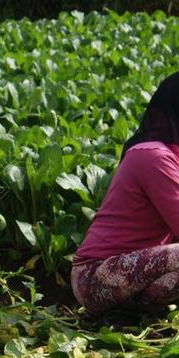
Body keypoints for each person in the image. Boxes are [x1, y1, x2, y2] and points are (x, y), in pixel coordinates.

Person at [72, 72, 179, 317]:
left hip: (134, 274)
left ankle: (135, 311)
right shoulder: (153, 156)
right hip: (95, 276)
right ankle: (136, 309)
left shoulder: (172, 156)